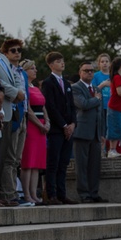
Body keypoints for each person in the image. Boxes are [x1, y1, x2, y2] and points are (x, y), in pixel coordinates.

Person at [0, 39, 27, 206]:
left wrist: (18, 91)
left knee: (11, 156)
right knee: (0, 156)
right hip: (2, 110)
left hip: (15, 112)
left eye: (19, 50)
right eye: (13, 50)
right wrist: (15, 92)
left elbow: (18, 84)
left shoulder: (9, 64)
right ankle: (0, 191)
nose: (17, 52)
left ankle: (8, 192)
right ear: (6, 52)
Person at [41, 51, 76, 205]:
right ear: (51, 64)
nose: (62, 63)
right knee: (53, 163)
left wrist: (73, 124)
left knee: (64, 163)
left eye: (62, 60)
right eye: (58, 61)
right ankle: (51, 193)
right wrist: (63, 125)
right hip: (56, 129)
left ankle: (62, 194)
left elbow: (72, 106)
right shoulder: (48, 83)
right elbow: (51, 106)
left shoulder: (67, 83)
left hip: (68, 129)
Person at [72, 61, 106, 203]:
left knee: (94, 165)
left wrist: (103, 132)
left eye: (92, 70)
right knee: (82, 165)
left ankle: (94, 193)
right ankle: (84, 194)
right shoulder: (75, 87)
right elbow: (83, 104)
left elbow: (100, 113)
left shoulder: (96, 89)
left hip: (96, 133)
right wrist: (96, 99)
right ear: (80, 72)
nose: (90, 73)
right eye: (86, 70)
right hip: (82, 131)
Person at [19, 60, 47, 204]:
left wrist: (47, 122)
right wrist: (39, 124)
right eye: (32, 68)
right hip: (32, 125)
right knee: (28, 161)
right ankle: (26, 193)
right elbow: (28, 109)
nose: (35, 70)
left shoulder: (35, 87)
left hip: (41, 126)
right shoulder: (25, 87)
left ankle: (34, 193)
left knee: (37, 163)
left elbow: (43, 106)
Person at [107, 57, 121, 159]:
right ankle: (112, 150)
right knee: (115, 129)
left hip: (120, 108)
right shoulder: (117, 77)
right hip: (115, 108)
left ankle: (116, 149)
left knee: (120, 129)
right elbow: (120, 92)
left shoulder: (120, 77)